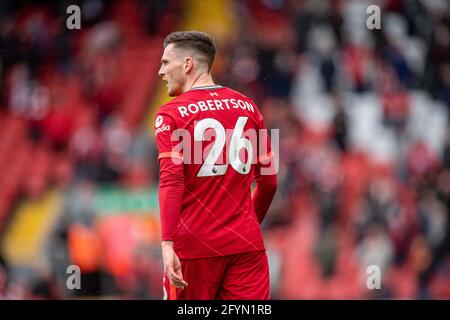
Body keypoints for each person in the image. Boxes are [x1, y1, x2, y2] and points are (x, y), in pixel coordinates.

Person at [154, 31, 278, 300]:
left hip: (194, 249)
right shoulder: (249, 107)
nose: (160, 72)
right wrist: (245, 224)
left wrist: (167, 244)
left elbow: (171, 181)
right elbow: (269, 181)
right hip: (247, 247)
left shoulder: (170, 114)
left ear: (187, 64)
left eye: (165, 63)